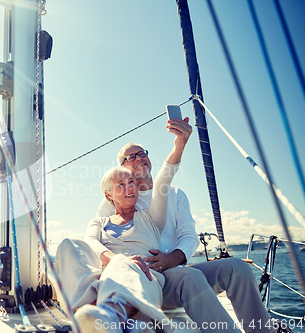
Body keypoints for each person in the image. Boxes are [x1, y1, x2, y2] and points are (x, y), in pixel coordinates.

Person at [95, 118, 276, 333]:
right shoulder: (115, 201)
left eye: (142, 153)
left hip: (178, 271)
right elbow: (98, 239)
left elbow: (188, 235)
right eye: (131, 157)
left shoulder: (175, 194)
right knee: (189, 276)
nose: (139, 158)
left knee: (238, 268)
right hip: (149, 279)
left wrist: (172, 259)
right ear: (122, 168)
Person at [57, 118, 186, 333]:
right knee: (69, 245)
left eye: (132, 183)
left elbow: (163, 181)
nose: (129, 188)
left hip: (144, 278)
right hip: (111, 276)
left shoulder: (151, 216)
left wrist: (179, 145)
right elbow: (89, 241)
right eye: (121, 184)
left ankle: (109, 316)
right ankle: (92, 314)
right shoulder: (99, 221)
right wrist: (117, 259)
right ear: (109, 194)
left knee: (122, 266)